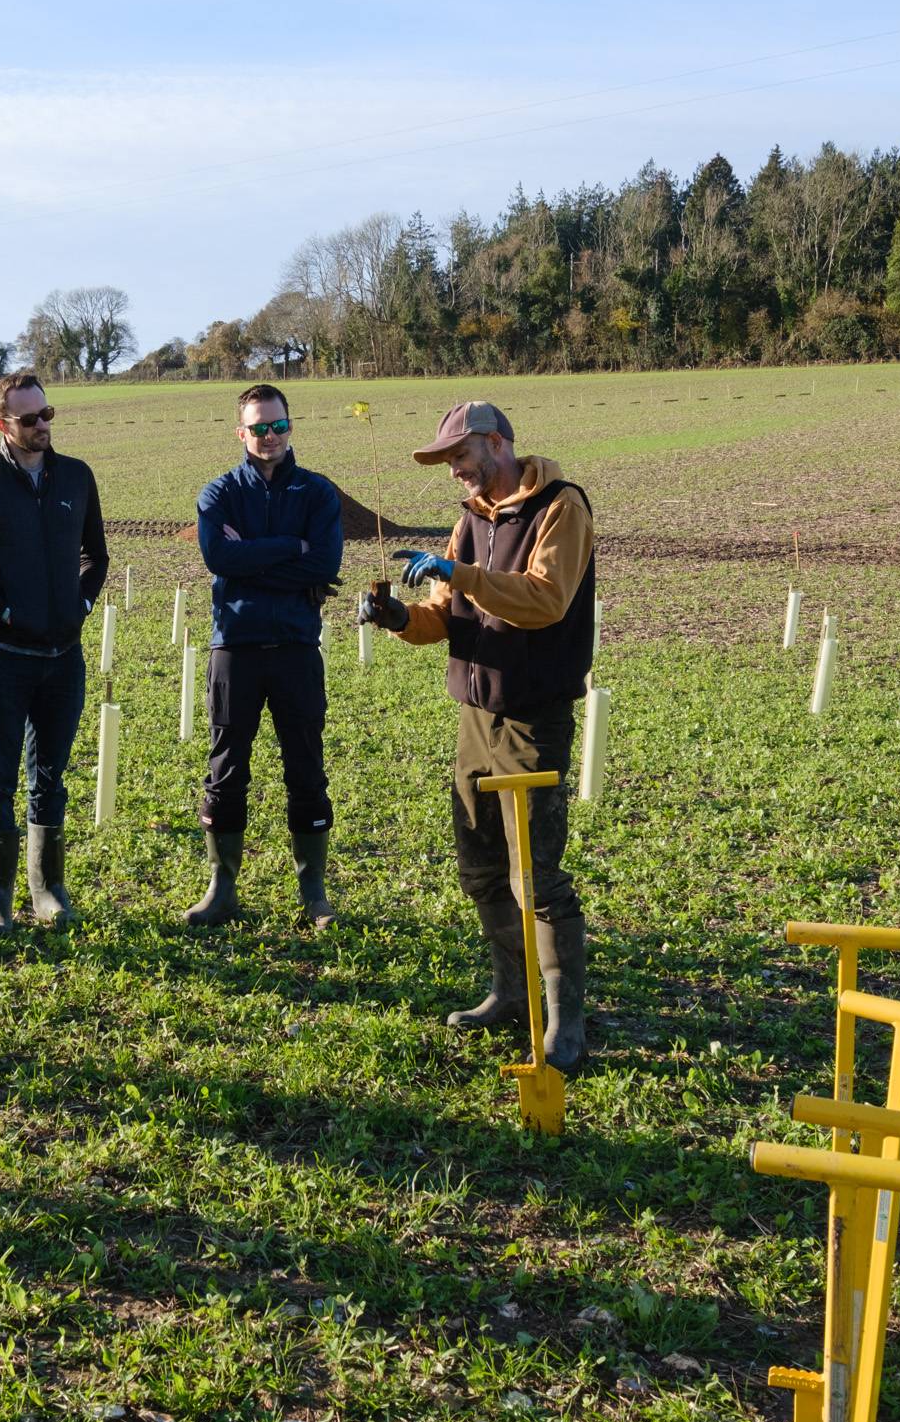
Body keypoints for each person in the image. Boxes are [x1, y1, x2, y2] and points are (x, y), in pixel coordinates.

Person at [357, 402, 595, 1071]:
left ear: (497, 442)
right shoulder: (469, 520)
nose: (455, 471)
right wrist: (400, 616)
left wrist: (456, 574)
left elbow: (545, 599)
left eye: (460, 456)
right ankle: (511, 993)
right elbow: (444, 617)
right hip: (475, 717)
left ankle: (565, 1021)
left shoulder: (560, 506)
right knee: (481, 868)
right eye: (448, 462)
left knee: (537, 880)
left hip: (532, 719)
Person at [0, 372, 109, 933]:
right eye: (30, 418)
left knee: (52, 776)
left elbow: (96, 556)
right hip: (4, 656)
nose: (43, 426)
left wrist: (80, 607)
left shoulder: (77, 476)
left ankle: (48, 889)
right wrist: (3, 611)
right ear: (2, 425)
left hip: (64, 657)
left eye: (48, 414)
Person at [188, 383, 344, 927]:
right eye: (258, 428)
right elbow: (217, 555)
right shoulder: (218, 494)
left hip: (297, 649)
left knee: (306, 768)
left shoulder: (319, 493)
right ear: (241, 433)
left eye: (277, 426)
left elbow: (324, 565)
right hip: (234, 646)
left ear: (290, 426)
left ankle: (314, 894)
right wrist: (290, 547)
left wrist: (252, 556)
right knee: (226, 769)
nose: (269, 436)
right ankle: (222, 889)